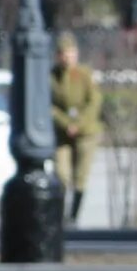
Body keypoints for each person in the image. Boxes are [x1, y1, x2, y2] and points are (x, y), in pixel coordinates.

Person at [49, 33, 100, 225]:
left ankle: (73, 217)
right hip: (63, 132)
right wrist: (66, 124)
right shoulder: (52, 76)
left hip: (86, 132)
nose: (67, 57)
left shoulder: (84, 74)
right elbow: (50, 107)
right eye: (63, 53)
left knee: (81, 176)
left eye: (70, 52)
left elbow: (94, 102)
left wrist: (78, 124)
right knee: (61, 173)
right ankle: (60, 214)